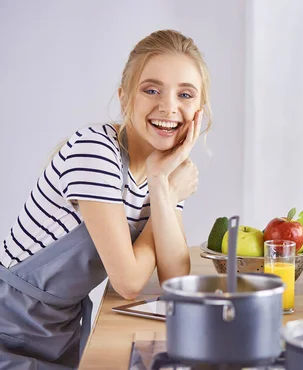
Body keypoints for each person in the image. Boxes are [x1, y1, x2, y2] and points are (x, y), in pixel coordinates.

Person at [0, 29, 211, 369]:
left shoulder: (165, 171)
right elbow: (128, 282)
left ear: (199, 111)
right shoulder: (95, 150)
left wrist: (161, 188)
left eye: (185, 94)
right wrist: (165, 191)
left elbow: (176, 280)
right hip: (9, 325)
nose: (169, 106)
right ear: (125, 98)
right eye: (151, 89)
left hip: (59, 329)